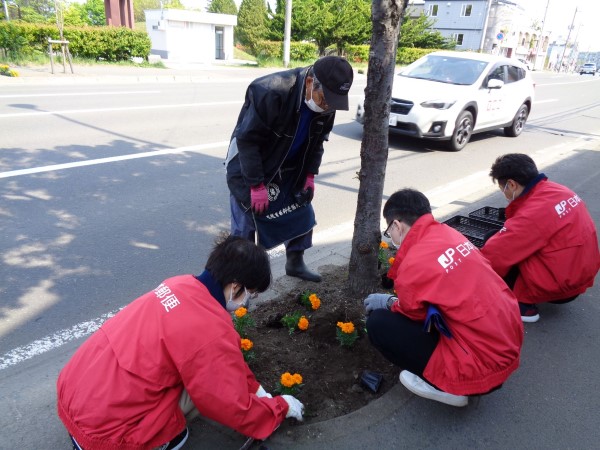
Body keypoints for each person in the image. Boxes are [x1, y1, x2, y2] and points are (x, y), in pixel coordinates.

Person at [57, 235, 304, 450]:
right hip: (106, 434)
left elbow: (227, 364)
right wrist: (279, 407)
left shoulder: (179, 284)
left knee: (192, 369)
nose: (249, 301)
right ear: (235, 286)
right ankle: (153, 442)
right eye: (251, 293)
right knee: (199, 397)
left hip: (75, 397)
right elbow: (227, 401)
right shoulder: (211, 329)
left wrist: (256, 388)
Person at [363, 189, 523, 407]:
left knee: (379, 324)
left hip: (479, 366)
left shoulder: (413, 265)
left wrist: (389, 302)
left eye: (388, 231)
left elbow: (414, 316)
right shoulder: (449, 233)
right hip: (507, 342)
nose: (390, 237)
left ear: (397, 226)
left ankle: (446, 386)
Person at [225, 56, 354, 282]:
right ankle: (238, 280)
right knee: (246, 224)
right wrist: (256, 185)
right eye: (324, 99)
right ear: (310, 82)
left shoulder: (328, 103)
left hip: (291, 164)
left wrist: (310, 175)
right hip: (252, 163)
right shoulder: (270, 91)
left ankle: (295, 263)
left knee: (301, 210)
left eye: (332, 103)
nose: (326, 107)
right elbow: (248, 141)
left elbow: (318, 142)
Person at [481, 153, 600, 323]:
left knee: (493, 240)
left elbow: (496, 254)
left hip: (561, 285)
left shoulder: (531, 216)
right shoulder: (558, 190)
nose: (504, 193)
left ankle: (524, 306)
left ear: (512, 184)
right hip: (582, 273)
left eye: (503, 188)